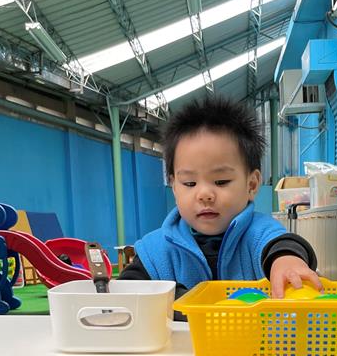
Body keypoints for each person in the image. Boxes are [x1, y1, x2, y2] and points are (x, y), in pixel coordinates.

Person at [118, 95, 321, 301]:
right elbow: (126, 291)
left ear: (251, 184)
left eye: (221, 181)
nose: (204, 194)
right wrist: (172, 294)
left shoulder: (259, 233)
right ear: (174, 187)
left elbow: (283, 246)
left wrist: (286, 262)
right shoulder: (157, 250)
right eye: (189, 183)